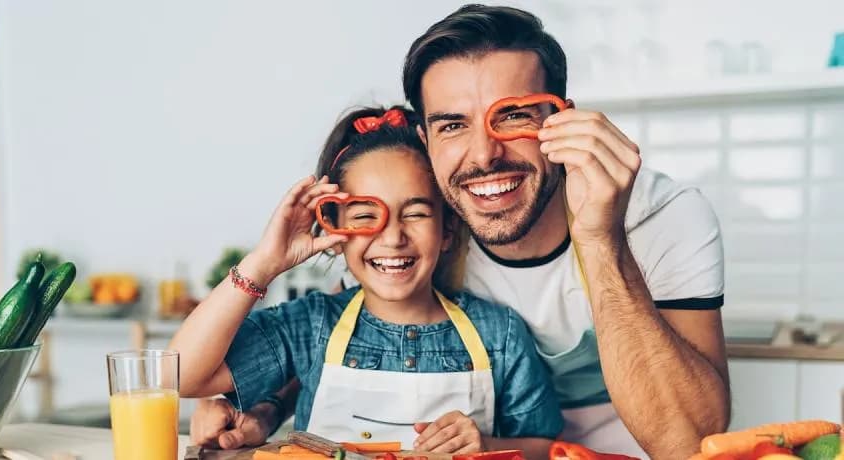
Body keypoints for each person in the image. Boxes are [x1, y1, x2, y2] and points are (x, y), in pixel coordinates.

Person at [190, 4, 731, 460]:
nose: (484, 155)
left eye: (513, 116)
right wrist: (260, 406)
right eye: (453, 125)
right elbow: (335, 335)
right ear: (425, 140)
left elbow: (687, 445)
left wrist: (600, 237)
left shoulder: (663, 217)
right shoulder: (435, 218)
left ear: (561, 120)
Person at [171, 105, 563, 459]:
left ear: (447, 229)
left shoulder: (500, 334)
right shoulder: (310, 325)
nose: (392, 238)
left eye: (416, 214)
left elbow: (547, 449)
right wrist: (263, 263)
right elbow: (180, 376)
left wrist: (487, 445)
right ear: (335, 230)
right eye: (364, 216)